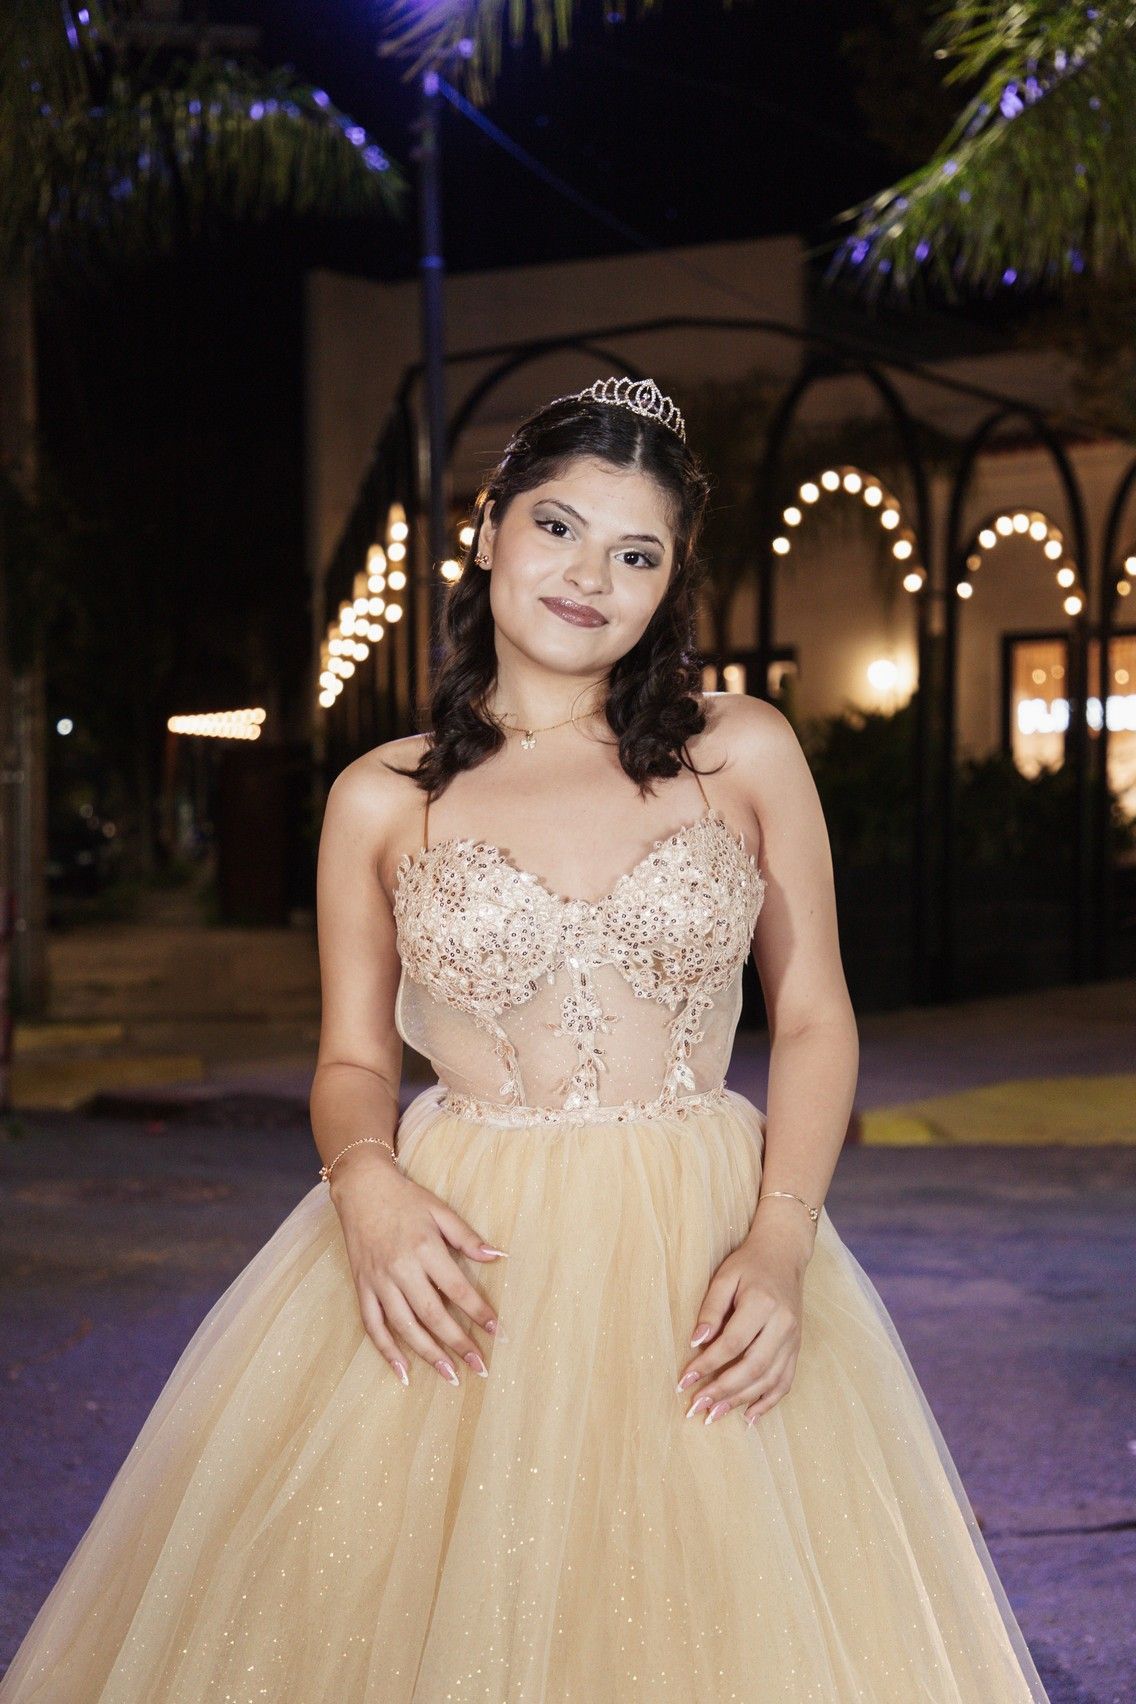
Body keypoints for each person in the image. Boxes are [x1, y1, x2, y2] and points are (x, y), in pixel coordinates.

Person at [0, 376, 1050, 1702]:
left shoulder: (741, 751)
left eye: (637, 553)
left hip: (705, 1240)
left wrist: (781, 1241)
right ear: (490, 529)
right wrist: (367, 1187)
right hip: (463, 1244)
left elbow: (815, 1015)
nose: (589, 578)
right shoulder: (380, 796)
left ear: (671, 584)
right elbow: (353, 1063)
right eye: (558, 527)